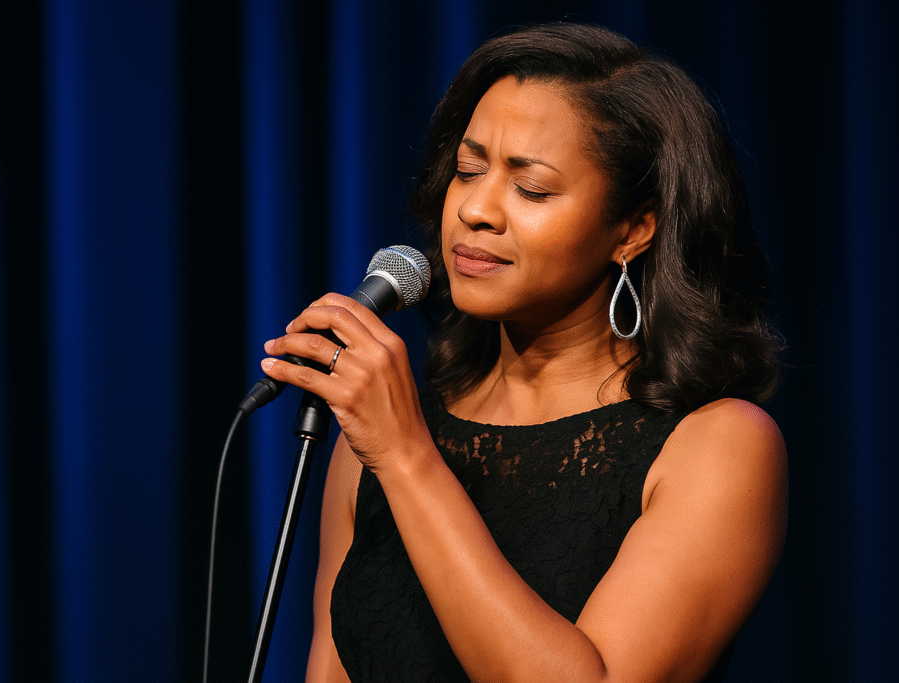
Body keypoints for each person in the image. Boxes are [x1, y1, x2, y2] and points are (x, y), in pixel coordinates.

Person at [260, 22, 787, 683]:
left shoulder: (718, 446)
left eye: (530, 187)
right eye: (468, 170)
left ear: (632, 229)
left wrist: (406, 458)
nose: (476, 209)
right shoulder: (376, 437)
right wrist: (392, 448)